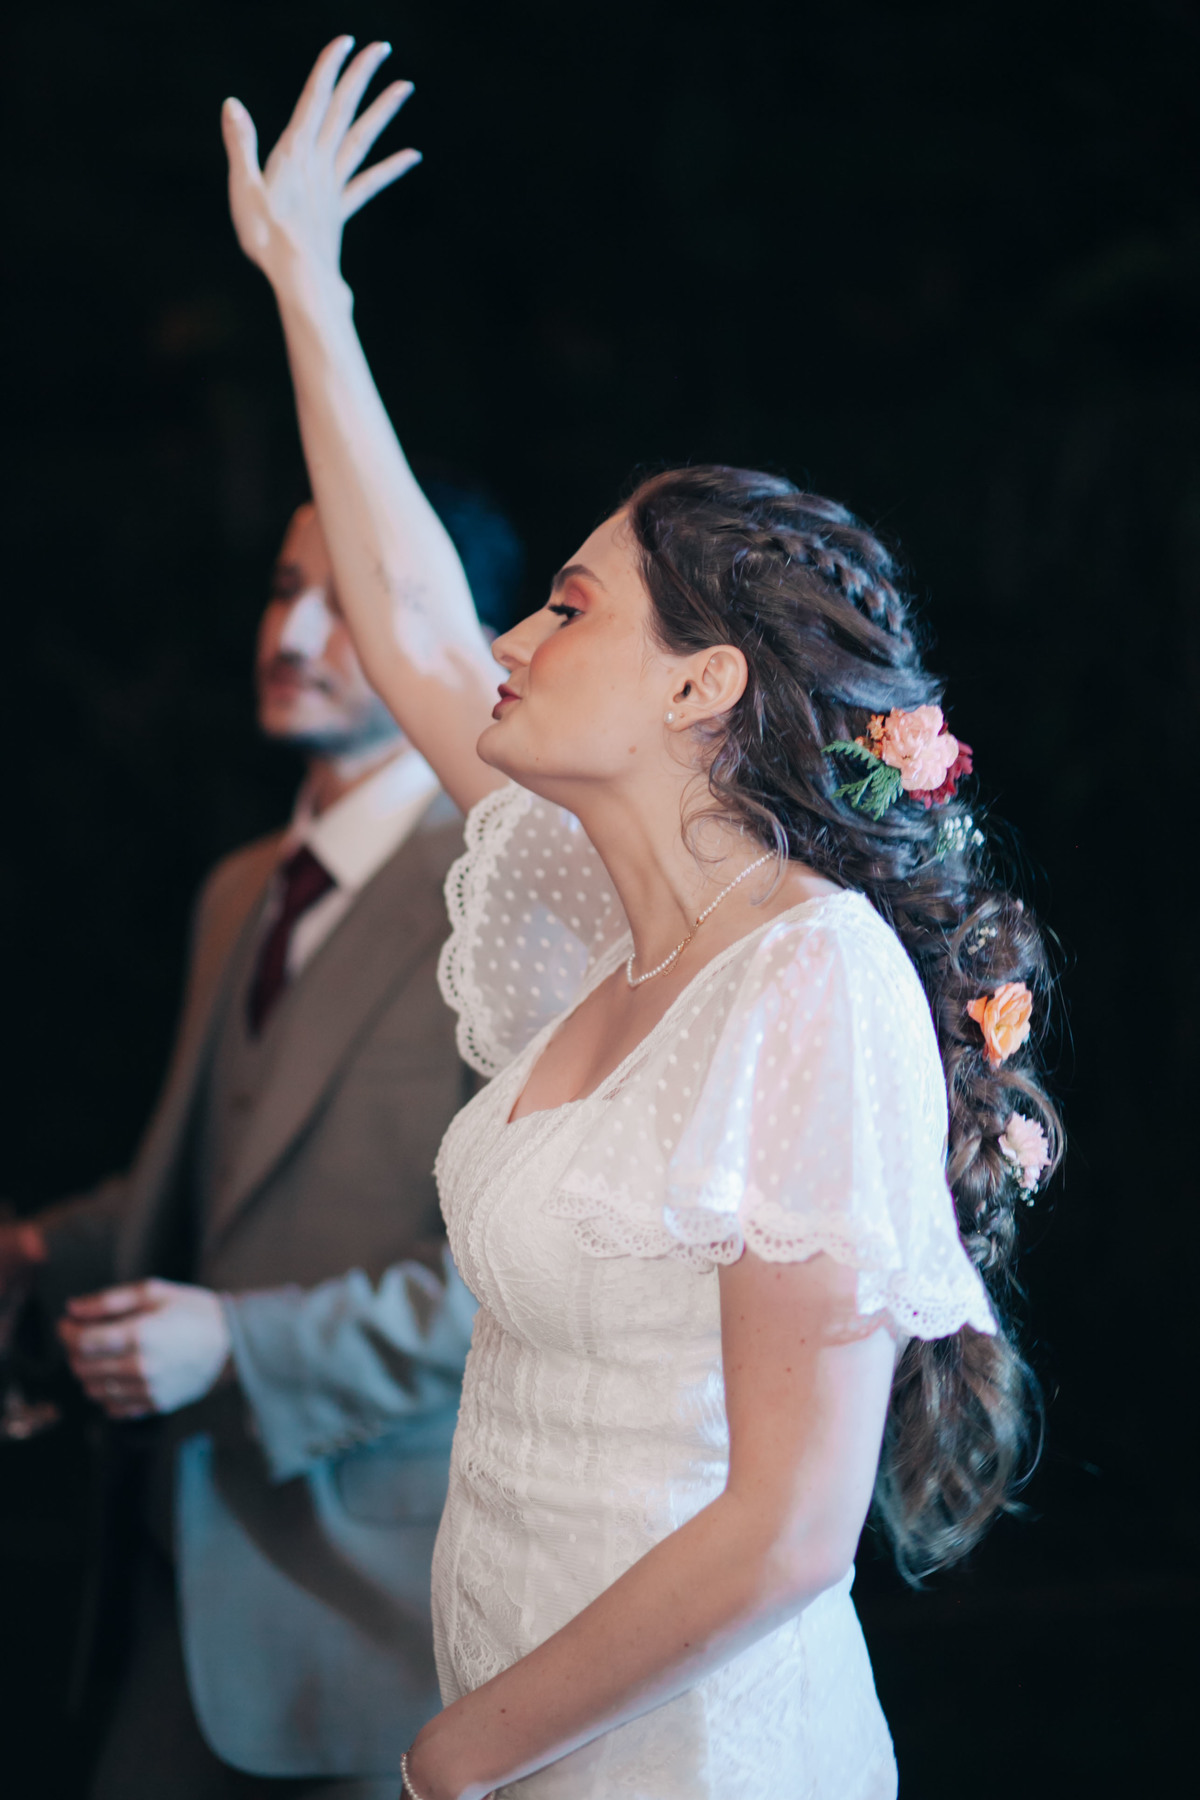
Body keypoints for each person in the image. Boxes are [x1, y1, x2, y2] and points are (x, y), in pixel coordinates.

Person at [221, 39, 1063, 1800]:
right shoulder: (585, 923)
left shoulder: (813, 977)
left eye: (568, 607)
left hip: (680, 1755)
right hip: (517, 1713)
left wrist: (454, 1759)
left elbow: (789, 1532)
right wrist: (311, 289)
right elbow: (413, 623)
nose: (512, 642)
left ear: (704, 684)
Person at [0, 491, 520, 1797]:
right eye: (286, 590)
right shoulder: (239, 889)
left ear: (455, 638)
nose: (288, 633)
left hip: (370, 1606)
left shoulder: (509, 895)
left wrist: (239, 1346)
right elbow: (202, 1193)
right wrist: (38, 1252)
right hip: (166, 1572)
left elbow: (514, 1283)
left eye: (347, 602)